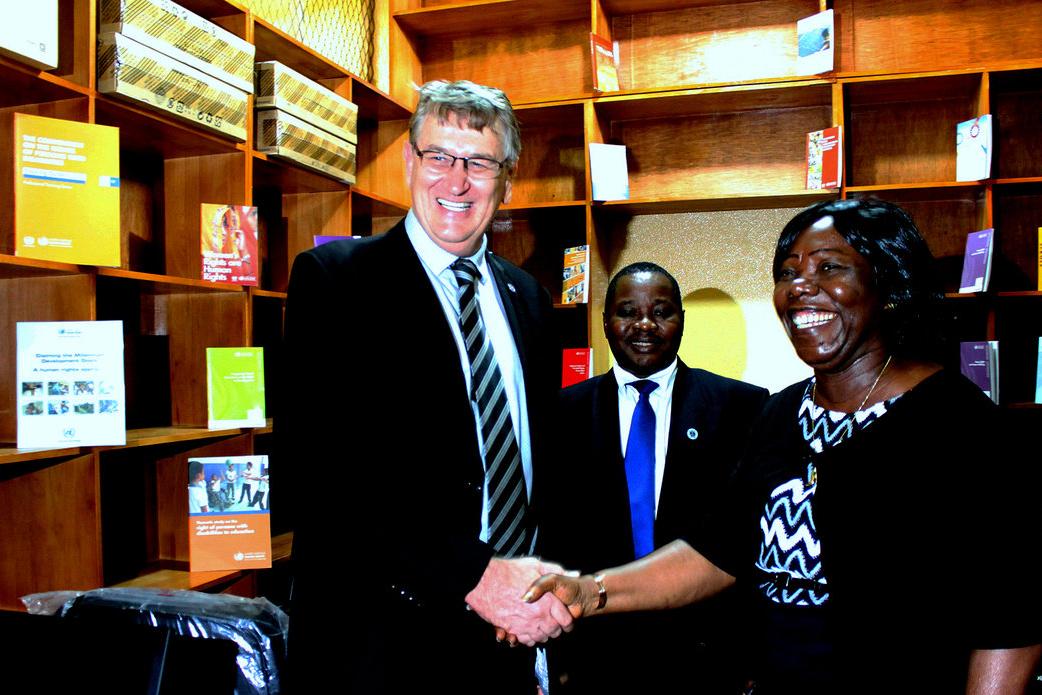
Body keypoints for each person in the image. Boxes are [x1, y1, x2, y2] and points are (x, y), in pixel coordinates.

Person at [525, 199, 1041, 694]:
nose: (800, 288)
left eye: (829, 268)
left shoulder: (960, 424)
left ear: (887, 285)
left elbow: (1010, 618)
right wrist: (590, 591)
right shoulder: (781, 414)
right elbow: (718, 552)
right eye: (788, 273)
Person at [279, 79, 571, 694]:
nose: (456, 182)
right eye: (439, 156)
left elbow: (539, 466)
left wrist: (537, 587)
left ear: (507, 179)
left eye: (480, 163)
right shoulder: (336, 281)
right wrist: (475, 575)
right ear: (410, 162)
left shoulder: (529, 299)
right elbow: (322, 474)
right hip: (383, 647)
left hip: (508, 636)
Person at [539, 262, 768, 693]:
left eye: (661, 312)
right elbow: (549, 536)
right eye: (628, 312)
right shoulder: (560, 413)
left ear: (682, 320)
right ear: (606, 321)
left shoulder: (742, 407)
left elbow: (746, 543)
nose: (644, 325)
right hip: (594, 654)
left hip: (707, 655)